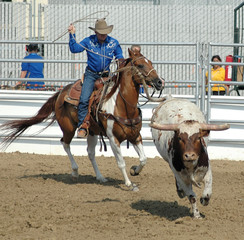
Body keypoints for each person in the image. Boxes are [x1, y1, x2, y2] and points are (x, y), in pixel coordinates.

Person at [68, 18, 124, 138]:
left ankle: (118, 122)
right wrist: (72, 34)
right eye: (101, 33)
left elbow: (119, 56)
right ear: (96, 32)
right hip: (91, 75)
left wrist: (120, 64)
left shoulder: (114, 43)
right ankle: (82, 125)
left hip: (107, 76)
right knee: (84, 99)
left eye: (105, 33)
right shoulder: (89, 41)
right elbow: (75, 49)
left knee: (119, 96)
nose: (103, 35)